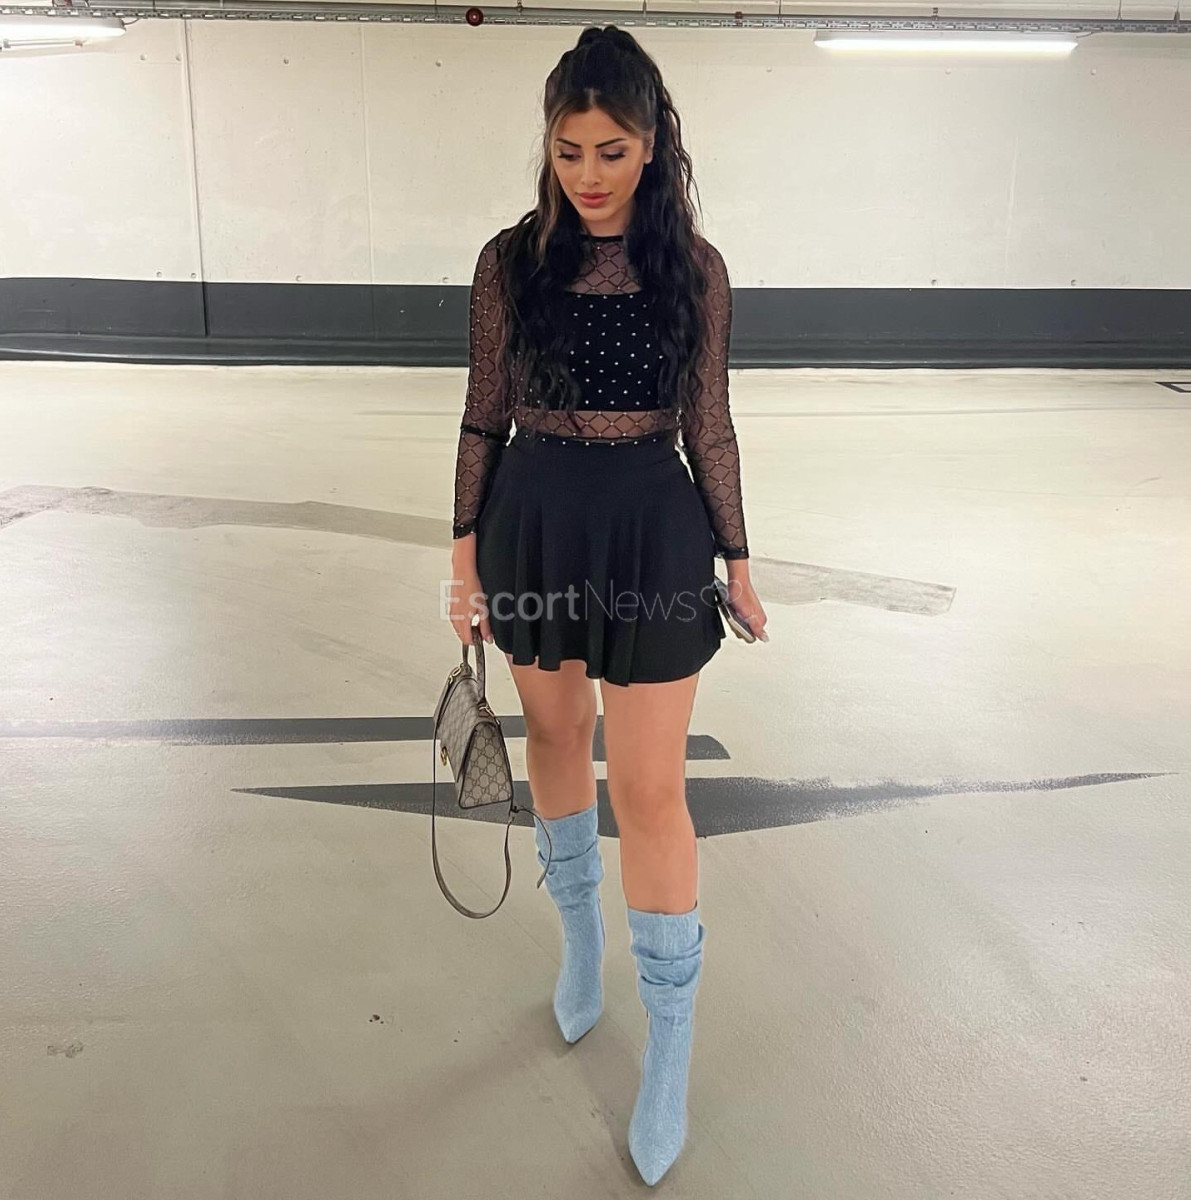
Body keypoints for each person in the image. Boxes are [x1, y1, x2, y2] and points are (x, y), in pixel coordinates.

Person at [445, 25, 767, 1186]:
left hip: (650, 525)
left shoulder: (694, 269)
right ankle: (580, 948)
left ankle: (668, 1039)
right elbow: (482, 412)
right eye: (568, 149)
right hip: (533, 514)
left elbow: (708, 424)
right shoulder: (508, 262)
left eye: (611, 150)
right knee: (551, 737)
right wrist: (462, 555)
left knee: (650, 787)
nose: (587, 173)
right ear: (547, 143)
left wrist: (736, 557)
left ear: (651, 145)